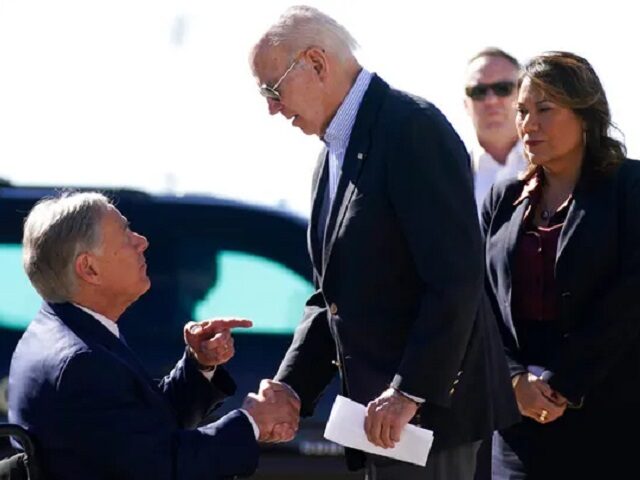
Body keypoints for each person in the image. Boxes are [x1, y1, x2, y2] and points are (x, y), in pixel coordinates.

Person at [249, 6, 519, 479]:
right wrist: (292, 387)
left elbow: (455, 278)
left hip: (431, 426)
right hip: (382, 428)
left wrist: (408, 391)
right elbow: (331, 297)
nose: (272, 107)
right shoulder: (332, 152)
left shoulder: (411, 128)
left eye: (273, 89)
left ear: (316, 63)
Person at [8, 191, 300, 480]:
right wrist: (252, 422)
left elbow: (141, 430)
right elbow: (164, 467)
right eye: (125, 236)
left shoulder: (62, 331)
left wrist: (199, 365)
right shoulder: (81, 360)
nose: (142, 241)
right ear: (89, 268)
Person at [482, 51, 640, 479]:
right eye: (522, 112)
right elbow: (479, 302)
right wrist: (513, 381)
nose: (528, 124)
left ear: (586, 114)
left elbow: (630, 303)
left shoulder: (630, 188)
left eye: (544, 110)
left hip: (610, 422)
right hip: (519, 427)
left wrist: (563, 384)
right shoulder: (503, 198)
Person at [464, 48, 527, 214]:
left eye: (503, 88)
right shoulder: (448, 174)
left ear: (524, 96)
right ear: (465, 104)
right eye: (478, 91)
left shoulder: (555, 166)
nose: (491, 100)